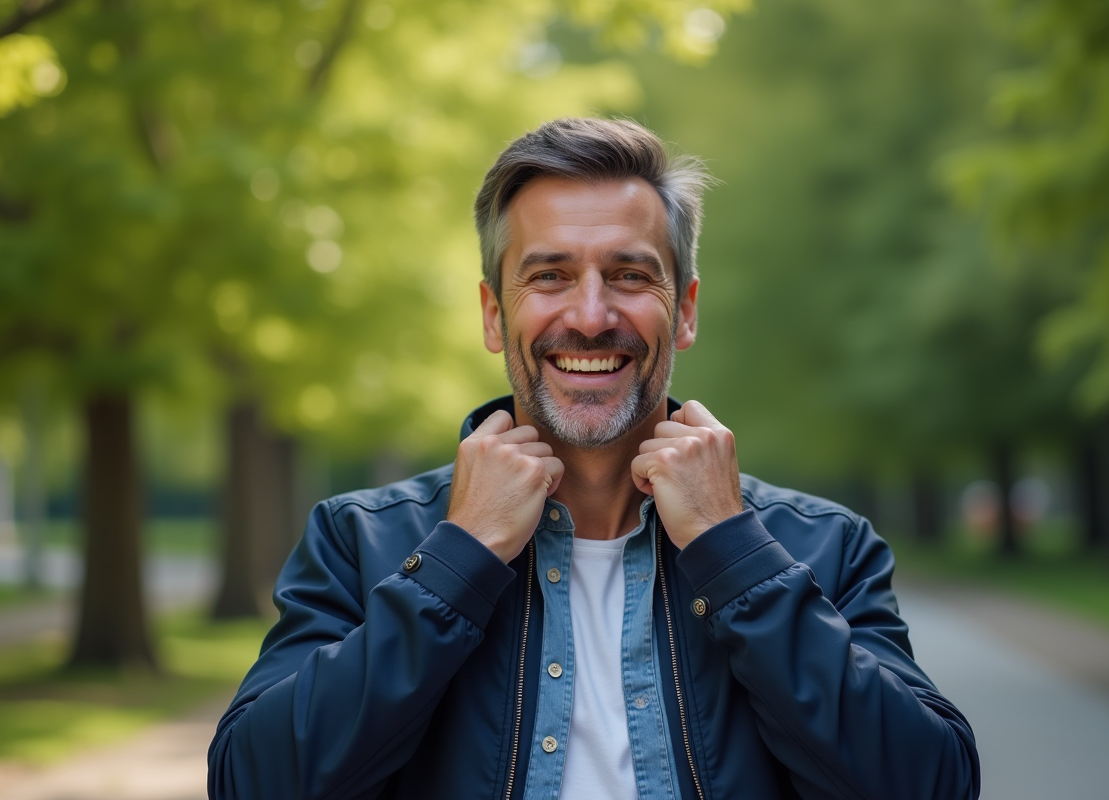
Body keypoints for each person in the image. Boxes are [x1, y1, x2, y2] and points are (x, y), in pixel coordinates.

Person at [208, 118, 980, 800]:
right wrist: (459, 559)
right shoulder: (360, 541)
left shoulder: (823, 547)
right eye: (548, 276)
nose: (589, 315)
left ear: (684, 311)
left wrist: (732, 552)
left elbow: (932, 781)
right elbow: (252, 781)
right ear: (492, 312)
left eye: (629, 275)